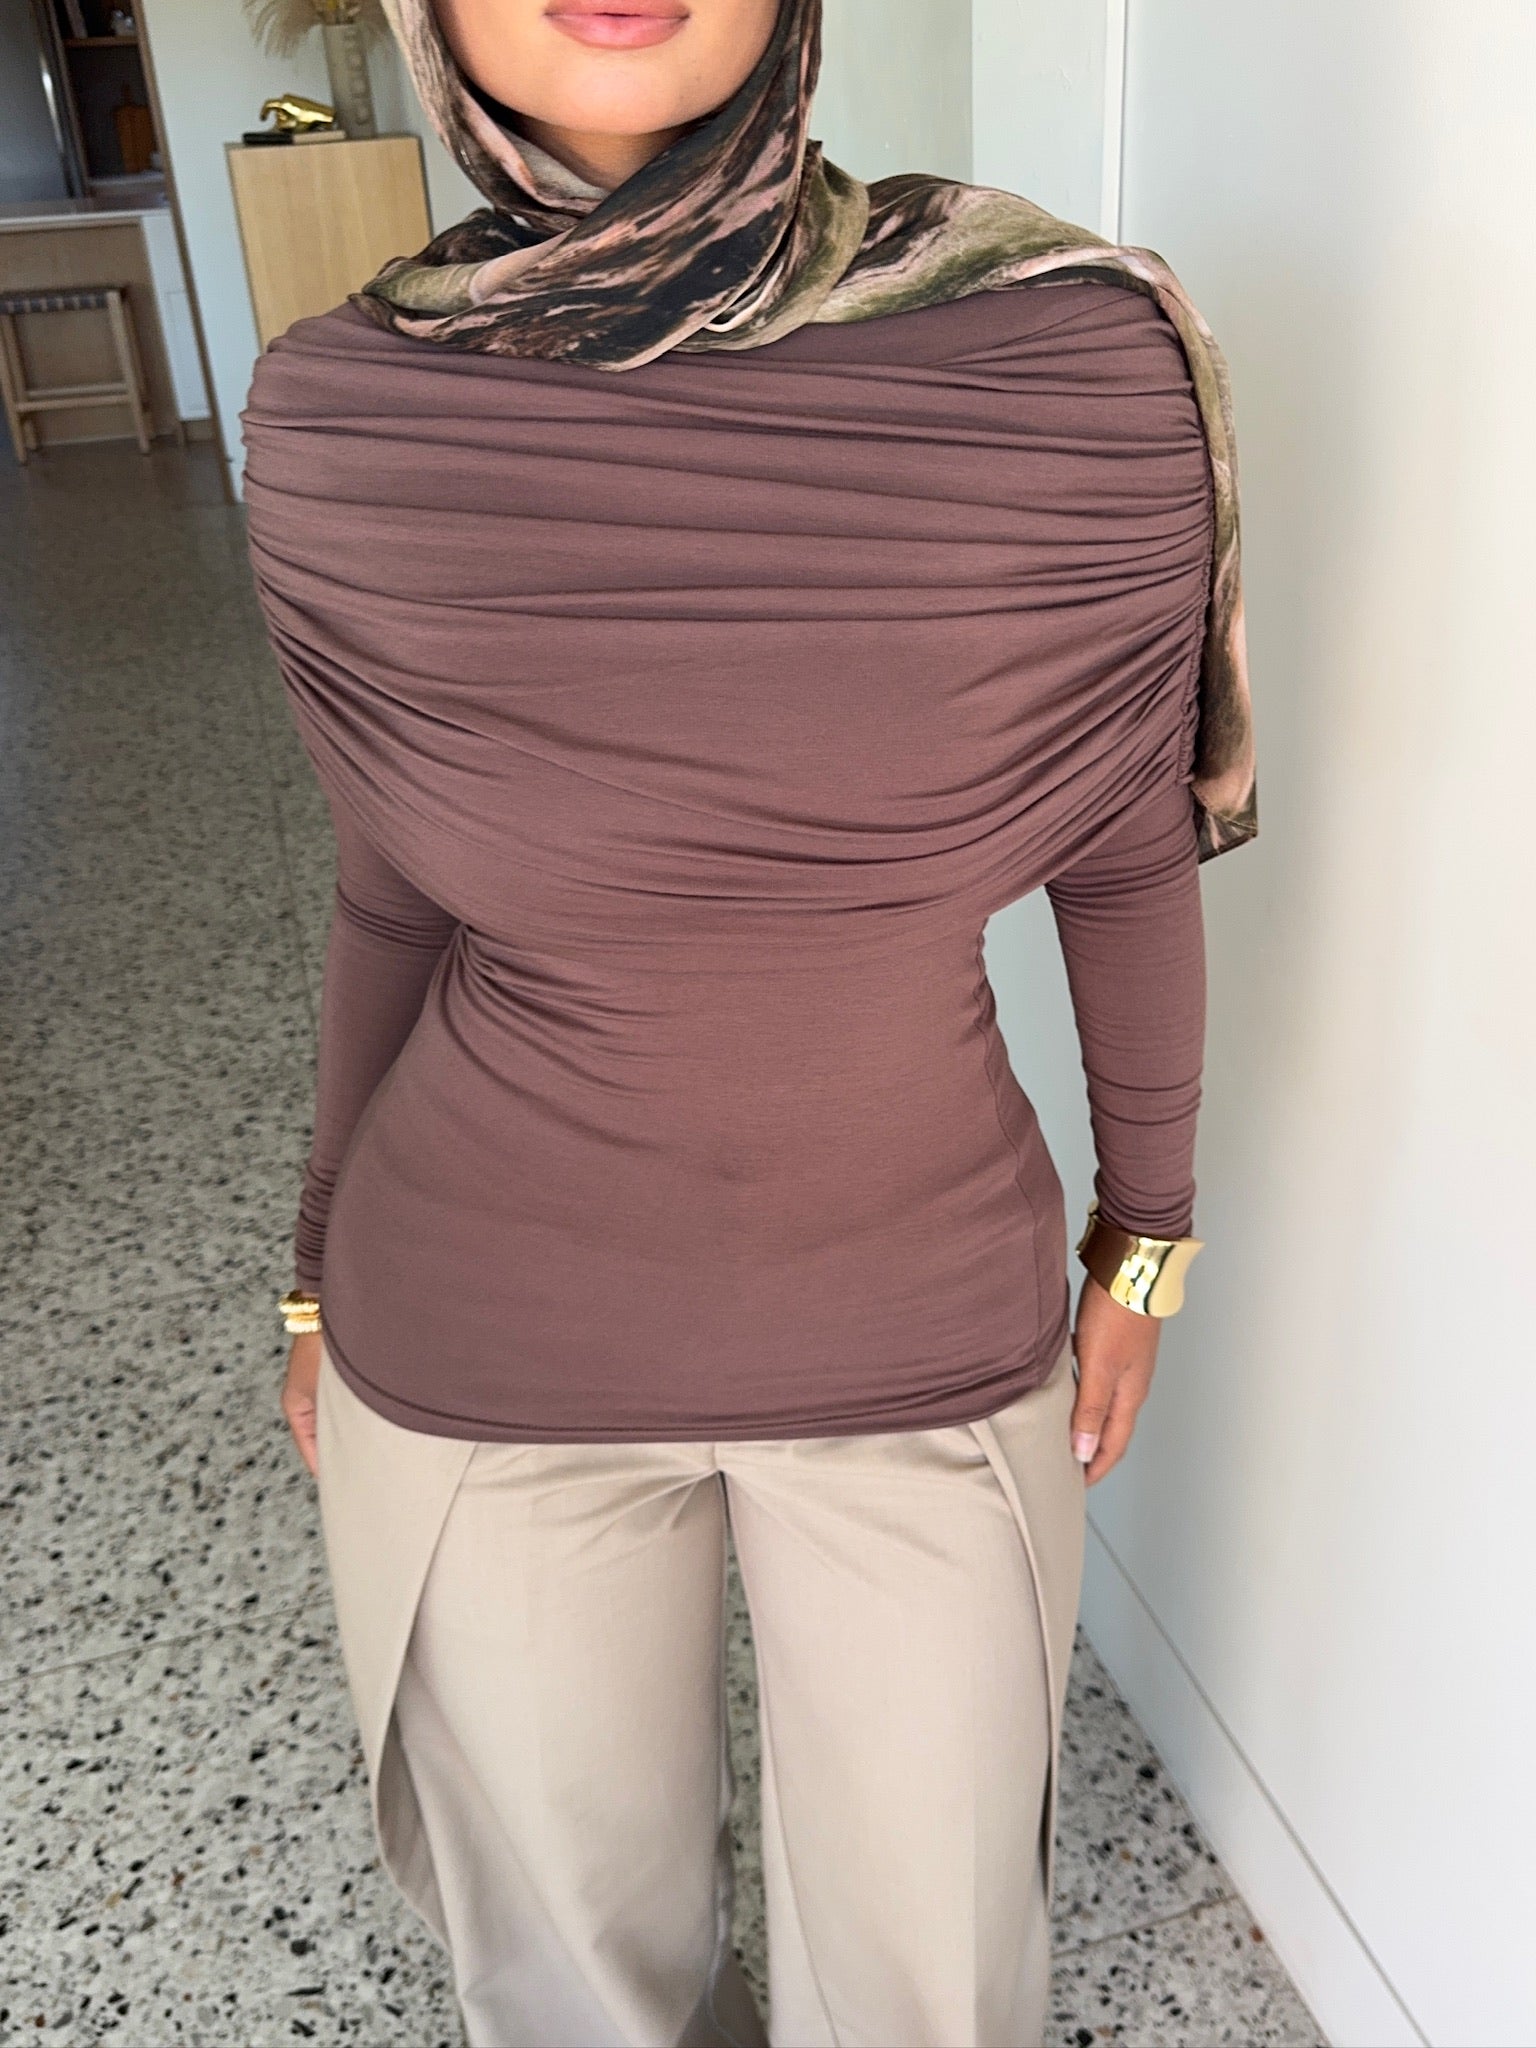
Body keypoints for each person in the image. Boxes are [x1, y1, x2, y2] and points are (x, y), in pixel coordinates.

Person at [239, 1, 1256, 2042]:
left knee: (929, 1976)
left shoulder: (1073, 359)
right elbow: (396, 888)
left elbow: (1123, 852)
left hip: (920, 1320)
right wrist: (314, 1269)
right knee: (570, 1980)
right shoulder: (337, 412)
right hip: (477, 1328)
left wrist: (1148, 1239)